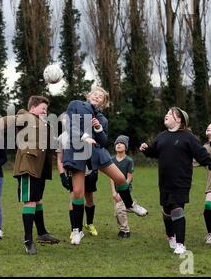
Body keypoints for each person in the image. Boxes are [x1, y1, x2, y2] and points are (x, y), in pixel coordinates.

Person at [63, 86, 147, 245]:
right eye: (94, 94)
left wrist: (98, 128)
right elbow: (70, 127)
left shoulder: (102, 119)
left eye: (100, 96)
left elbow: (103, 141)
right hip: (77, 150)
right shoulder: (75, 104)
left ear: (104, 102)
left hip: (96, 152)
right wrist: (85, 136)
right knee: (78, 192)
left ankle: (130, 204)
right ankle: (77, 231)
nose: (97, 96)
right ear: (88, 95)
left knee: (120, 178)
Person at [139, 107, 211, 255]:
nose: (166, 115)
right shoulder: (161, 136)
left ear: (178, 120)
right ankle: (171, 237)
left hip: (181, 181)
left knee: (177, 209)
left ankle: (180, 244)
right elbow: (154, 152)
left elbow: (203, 156)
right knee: (166, 211)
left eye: (170, 114)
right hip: (164, 181)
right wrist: (146, 149)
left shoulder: (188, 137)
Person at [0, 96, 60, 255]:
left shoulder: (45, 124)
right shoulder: (26, 116)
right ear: (33, 107)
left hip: (41, 169)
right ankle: (28, 241)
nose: (45, 111)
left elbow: (51, 145)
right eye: (43, 108)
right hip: (28, 166)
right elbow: (6, 120)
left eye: (46, 109)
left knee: (37, 200)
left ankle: (42, 233)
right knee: (30, 201)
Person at [56, 116, 99, 239]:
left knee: (89, 198)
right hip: (73, 172)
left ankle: (89, 223)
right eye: (64, 119)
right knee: (73, 198)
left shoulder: (85, 132)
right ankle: (75, 229)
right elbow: (60, 159)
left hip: (89, 171)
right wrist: (61, 175)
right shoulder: (61, 137)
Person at [110, 135, 139, 239]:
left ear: (125, 147)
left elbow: (129, 178)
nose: (118, 144)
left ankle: (125, 231)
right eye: (117, 143)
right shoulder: (111, 160)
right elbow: (111, 178)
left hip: (125, 190)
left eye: (121, 143)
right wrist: (114, 192)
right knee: (117, 213)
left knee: (119, 210)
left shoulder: (129, 161)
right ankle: (131, 206)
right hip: (116, 190)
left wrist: (122, 190)